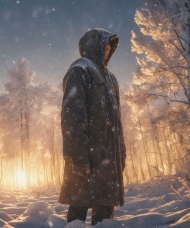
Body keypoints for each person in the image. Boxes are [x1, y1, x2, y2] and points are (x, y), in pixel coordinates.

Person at [59, 28, 126, 225]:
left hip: (108, 159)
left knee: (105, 213)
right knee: (79, 209)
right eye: (103, 44)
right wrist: (78, 157)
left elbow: (117, 121)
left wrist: (120, 153)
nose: (106, 49)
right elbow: (73, 117)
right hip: (87, 157)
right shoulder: (80, 70)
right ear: (91, 45)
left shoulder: (111, 78)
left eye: (109, 45)